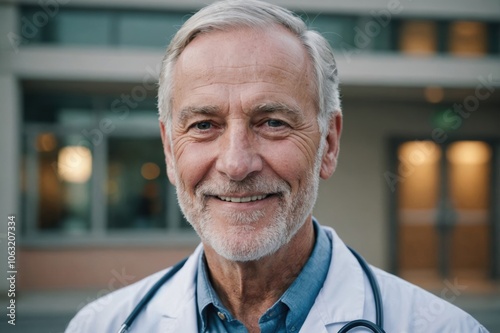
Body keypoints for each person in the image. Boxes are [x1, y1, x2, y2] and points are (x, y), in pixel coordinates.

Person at [65, 1, 489, 332]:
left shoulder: (445, 328)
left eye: (272, 122)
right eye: (203, 125)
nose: (235, 164)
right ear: (169, 150)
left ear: (329, 143)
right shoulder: (98, 326)